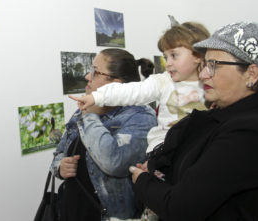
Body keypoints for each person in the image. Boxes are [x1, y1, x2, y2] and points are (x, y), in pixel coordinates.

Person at [129, 22, 258, 220]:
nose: (203, 74)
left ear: (251, 74)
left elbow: (181, 207)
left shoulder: (251, 132)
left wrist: (143, 180)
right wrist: (156, 168)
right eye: (204, 64)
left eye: (213, 65)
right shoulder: (222, 116)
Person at [71, 15, 210, 155]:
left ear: (198, 55)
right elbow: (131, 91)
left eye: (174, 55)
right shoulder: (163, 81)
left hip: (197, 149)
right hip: (164, 149)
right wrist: (97, 97)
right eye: (165, 57)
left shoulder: (212, 86)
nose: (168, 63)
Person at [50, 48, 157, 221]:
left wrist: (90, 115)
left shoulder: (140, 117)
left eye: (95, 72)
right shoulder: (82, 112)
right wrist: (59, 167)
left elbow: (114, 162)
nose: (87, 76)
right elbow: (59, 153)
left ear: (116, 83)